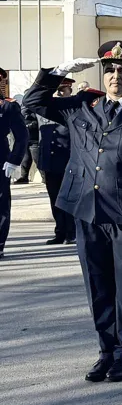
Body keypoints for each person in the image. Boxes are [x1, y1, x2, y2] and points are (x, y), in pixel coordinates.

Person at [23, 42, 122, 381]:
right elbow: (31, 103)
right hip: (86, 210)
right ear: (102, 75)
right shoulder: (81, 104)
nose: (114, 75)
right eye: (109, 70)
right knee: (98, 285)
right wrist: (58, 72)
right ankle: (106, 350)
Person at [26, 76, 80, 245]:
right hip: (49, 160)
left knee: (69, 199)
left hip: (68, 161)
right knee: (54, 198)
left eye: (63, 89)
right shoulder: (43, 108)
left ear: (70, 90)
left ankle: (71, 232)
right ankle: (60, 231)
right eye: (56, 90)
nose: (58, 93)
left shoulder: (74, 109)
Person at [0, 66, 30, 260]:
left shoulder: (8, 106)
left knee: (1, 203)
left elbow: (22, 136)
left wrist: (14, 160)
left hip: (0, 161)